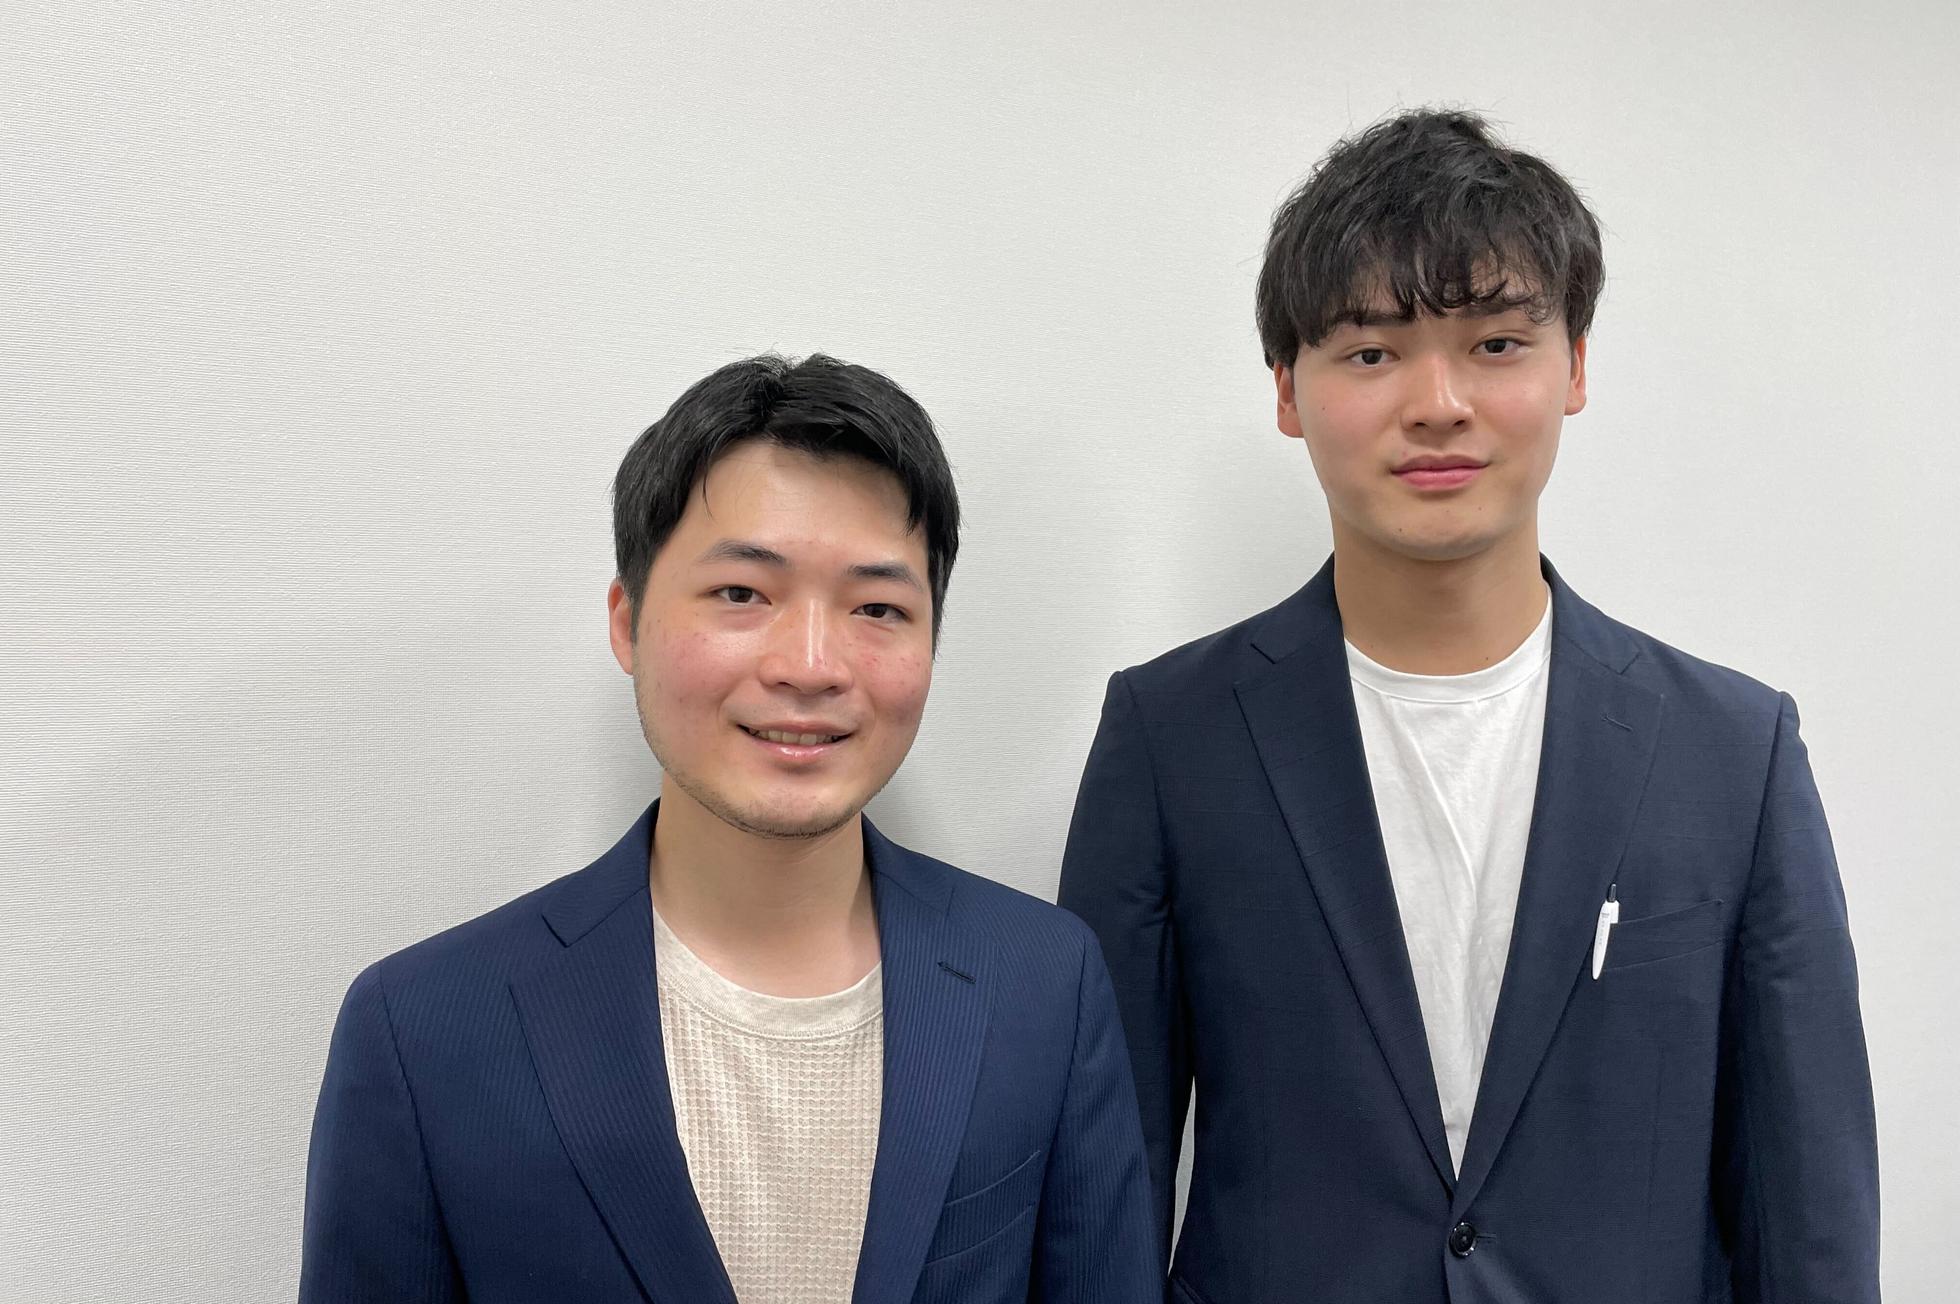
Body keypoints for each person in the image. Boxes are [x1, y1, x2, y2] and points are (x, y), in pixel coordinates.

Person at [1058, 109, 1879, 1304]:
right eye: (1370, 352)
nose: (1437, 402)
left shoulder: (1731, 752)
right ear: (1287, 388)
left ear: (1574, 367)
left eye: (1495, 343)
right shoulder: (1167, 737)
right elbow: (1103, 1179)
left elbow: (1807, 1212)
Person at [301, 354, 1157, 1303]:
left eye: (878, 607)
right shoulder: (425, 1028)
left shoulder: (1044, 982)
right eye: (743, 594)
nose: (811, 665)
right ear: (627, 621)